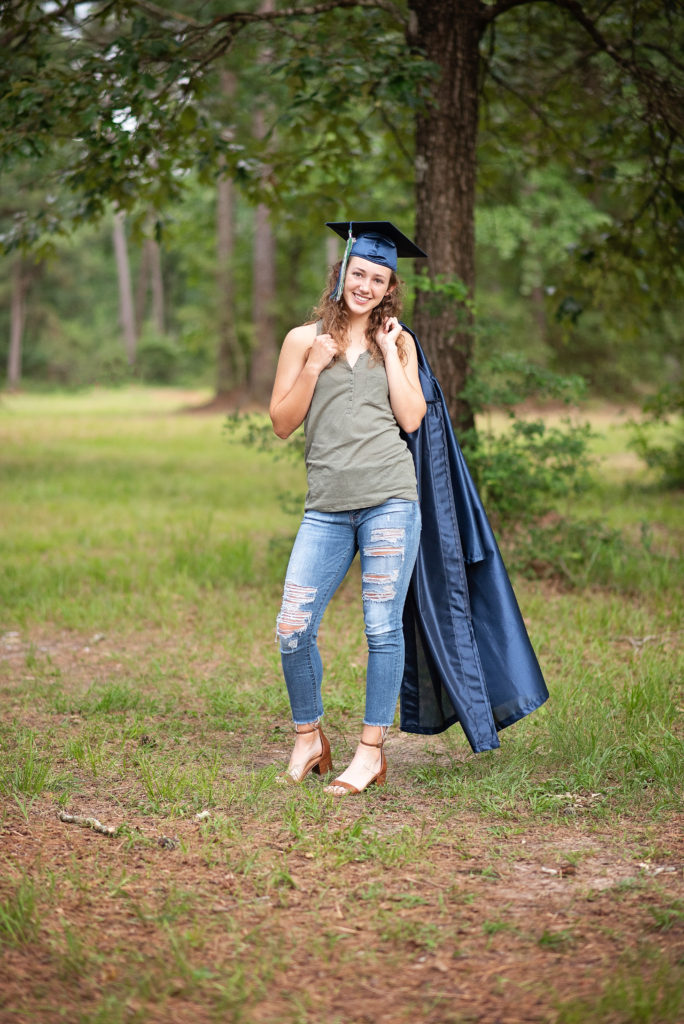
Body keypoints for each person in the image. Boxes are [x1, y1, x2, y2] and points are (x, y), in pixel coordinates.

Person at [269, 221, 428, 795]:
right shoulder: (300, 339)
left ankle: (369, 752)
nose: (364, 285)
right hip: (327, 507)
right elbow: (283, 423)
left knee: (382, 626)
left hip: (390, 498)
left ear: (389, 288)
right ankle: (309, 739)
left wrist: (389, 351)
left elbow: (411, 418)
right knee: (292, 627)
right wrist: (314, 364)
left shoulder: (399, 340)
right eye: (357, 273)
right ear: (341, 274)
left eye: (377, 278)